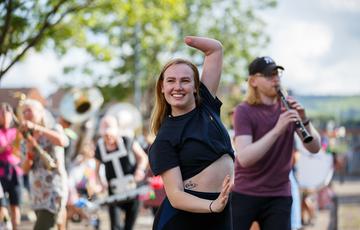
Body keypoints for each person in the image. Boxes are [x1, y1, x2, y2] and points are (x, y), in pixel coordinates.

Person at [149, 36, 234, 230]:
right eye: (171, 81)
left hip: (220, 210)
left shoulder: (207, 106)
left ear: (196, 87)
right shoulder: (164, 138)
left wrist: (189, 40)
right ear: (162, 88)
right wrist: (212, 206)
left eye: (185, 80)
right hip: (185, 219)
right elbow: (176, 196)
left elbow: (215, 50)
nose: (178, 87)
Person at [231, 56, 321, 230]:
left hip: (279, 194)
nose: (275, 78)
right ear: (253, 81)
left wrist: (305, 120)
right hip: (246, 192)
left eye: (277, 73)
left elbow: (315, 147)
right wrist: (277, 129)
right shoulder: (243, 111)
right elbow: (245, 158)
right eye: (268, 75)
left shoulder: (288, 107)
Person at [18, 99, 68, 230]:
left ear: (40, 113)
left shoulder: (53, 129)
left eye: (29, 110)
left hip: (54, 190)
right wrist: (29, 151)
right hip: (37, 194)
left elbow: (62, 141)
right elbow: (25, 169)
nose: (26, 113)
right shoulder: (25, 140)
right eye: (24, 112)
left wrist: (37, 128)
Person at [95, 115, 148, 230]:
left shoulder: (127, 140)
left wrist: (140, 170)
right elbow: (96, 170)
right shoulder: (99, 148)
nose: (108, 137)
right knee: (115, 226)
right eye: (105, 135)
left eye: (110, 134)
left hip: (133, 188)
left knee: (129, 226)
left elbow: (143, 158)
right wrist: (100, 183)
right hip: (114, 192)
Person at [0, 103, 22, 230]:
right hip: (1, 172)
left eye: (7, 113)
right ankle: (6, 225)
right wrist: (8, 145)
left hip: (15, 172)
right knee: (1, 206)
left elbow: (20, 151)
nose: (5, 116)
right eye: (2, 113)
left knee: (15, 206)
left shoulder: (16, 131)